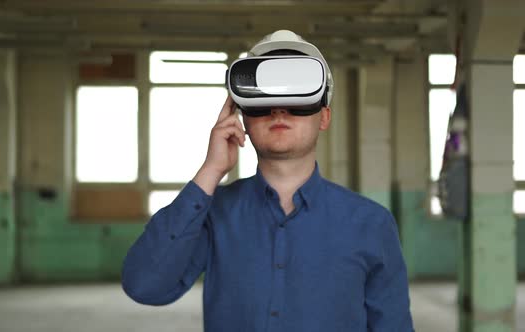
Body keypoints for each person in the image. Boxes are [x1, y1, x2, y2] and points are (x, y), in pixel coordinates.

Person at [122, 30, 414, 332]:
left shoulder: (371, 224)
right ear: (241, 116)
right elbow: (144, 285)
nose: (279, 109)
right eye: (264, 100)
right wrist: (210, 170)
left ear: (324, 117)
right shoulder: (214, 214)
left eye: (297, 98)